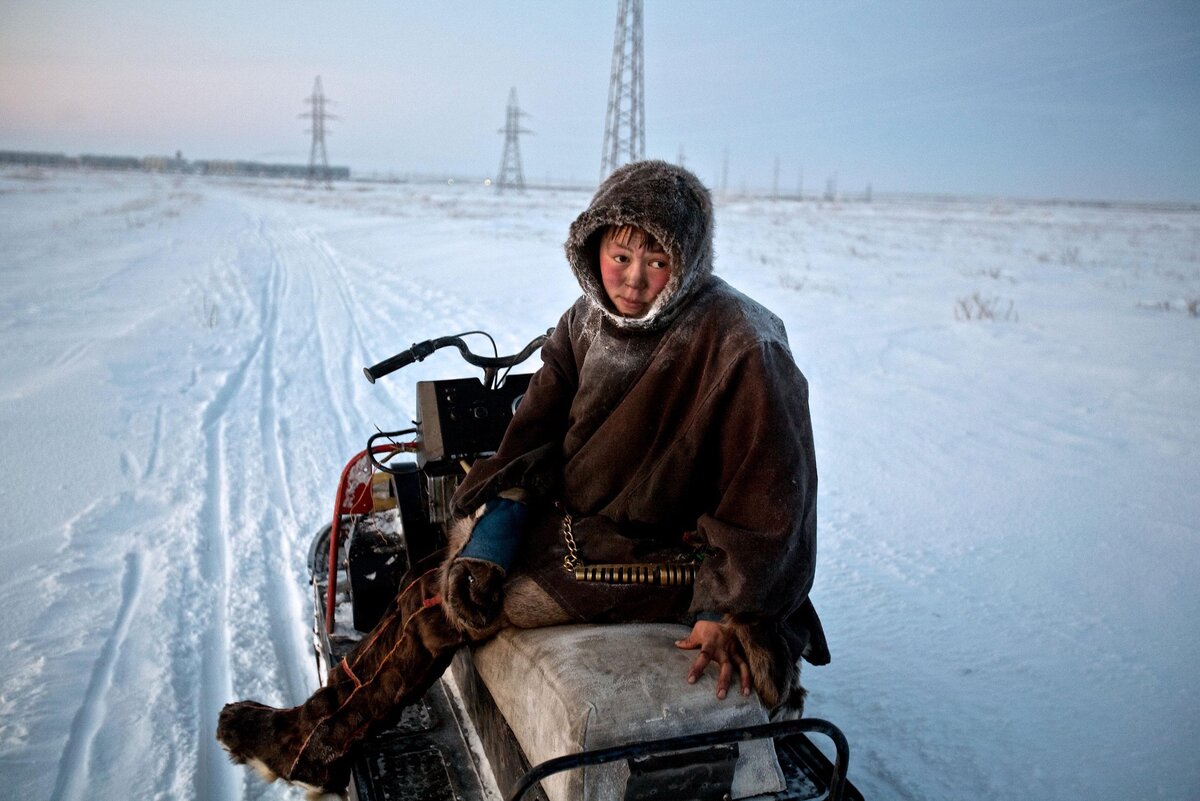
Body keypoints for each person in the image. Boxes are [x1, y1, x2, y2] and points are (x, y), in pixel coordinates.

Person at [217, 160, 829, 798]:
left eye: (657, 263)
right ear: (595, 246)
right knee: (451, 570)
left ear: (689, 262)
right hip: (596, 528)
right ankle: (326, 732)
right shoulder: (585, 320)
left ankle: (313, 745)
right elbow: (532, 430)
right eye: (621, 256)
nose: (634, 280)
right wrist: (491, 537)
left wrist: (722, 607)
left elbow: (773, 494)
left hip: (681, 554)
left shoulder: (741, 342)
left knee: (436, 598)